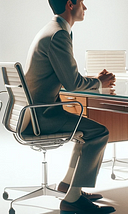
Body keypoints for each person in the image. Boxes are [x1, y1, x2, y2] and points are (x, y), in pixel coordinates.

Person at [24, 0, 116, 213]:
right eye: (82, 2)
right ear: (70, 4)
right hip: (43, 116)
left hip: (36, 112)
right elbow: (73, 84)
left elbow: (66, 77)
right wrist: (99, 84)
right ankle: (72, 199)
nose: (85, 7)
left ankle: (67, 184)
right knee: (99, 133)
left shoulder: (52, 30)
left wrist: (95, 80)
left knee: (84, 131)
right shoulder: (58, 35)